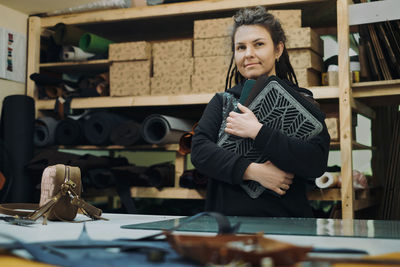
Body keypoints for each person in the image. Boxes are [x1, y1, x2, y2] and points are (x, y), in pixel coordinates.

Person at [191, 6, 330, 217]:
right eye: (241, 47)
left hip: (287, 226)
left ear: (278, 49)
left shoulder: (303, 101)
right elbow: (200, 153)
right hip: (228, 226)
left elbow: (315, 163)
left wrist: (257, 131)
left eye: (259, 44)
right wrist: (253, 172)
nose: (249, 54)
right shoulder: (223, 101)